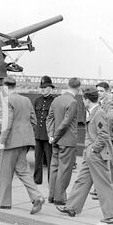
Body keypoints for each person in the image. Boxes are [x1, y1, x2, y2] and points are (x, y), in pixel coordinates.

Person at [56, 88, 113, 224]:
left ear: (86, 100)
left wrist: (93, 149)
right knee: (82, 180)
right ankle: (72, 207)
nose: (82, 101)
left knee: (104, 184)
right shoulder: (94, 112)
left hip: (96, 154)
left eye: (83, 99)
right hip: (91, 154)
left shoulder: (98, 113)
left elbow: (103, 135)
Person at [0, 77, 45, 214]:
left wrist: (1, 141)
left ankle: (4, 203)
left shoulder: (7, 100)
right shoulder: (26, 100)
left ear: (5, 87)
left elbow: (8, 123)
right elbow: (33, 120)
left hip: (11, 142)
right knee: (23, 170)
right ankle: (37, 196)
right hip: (25, 140)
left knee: (4, 173)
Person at [46, 77, 81, 205]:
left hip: (55, 141)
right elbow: (66, 123)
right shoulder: (73, 102)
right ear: (78, 88)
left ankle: (51, 195)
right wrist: (55, 136)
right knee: (64, 170)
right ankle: (59, 198)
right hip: (67, 141)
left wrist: (51, 135)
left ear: (68, 85)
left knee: (54, 168)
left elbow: (49, 119)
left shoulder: (56, 100)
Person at [33, 76, 56, 185]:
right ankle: (37, 179)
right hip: (38, 134)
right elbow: (33, 117)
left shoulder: (54, 101)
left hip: (48, 135)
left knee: (50, 158)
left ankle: (51, 180)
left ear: (50, 88)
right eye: (41, 87)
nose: (43, 89)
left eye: (45, 87)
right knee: (37, 157)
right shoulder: (37, 100)